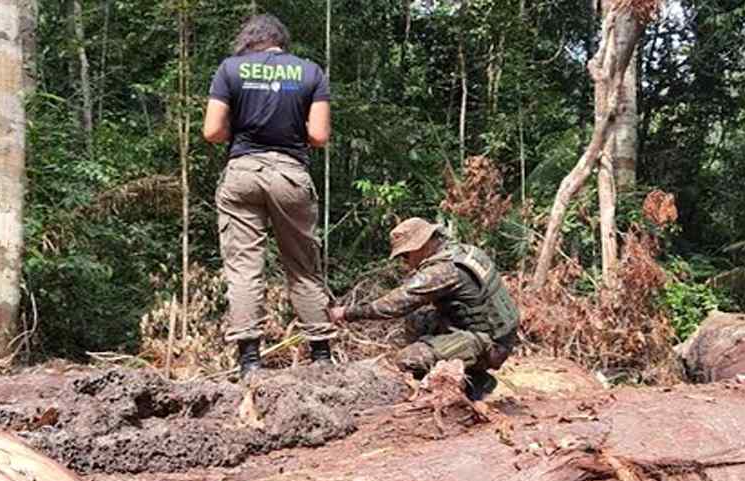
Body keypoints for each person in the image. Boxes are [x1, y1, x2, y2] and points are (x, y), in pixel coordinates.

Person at [203, 14, 335, 378]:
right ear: (281, 41)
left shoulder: (230, 69)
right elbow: (320, 136)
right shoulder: (310, 72)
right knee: (303, 267)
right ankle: (321, 355)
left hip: (242, 172)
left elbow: (212, 130)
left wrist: (242, 128)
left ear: (250, 40)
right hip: (291, 175)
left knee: (244, 268)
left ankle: (250, 362)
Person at [329, 218, 520, 400]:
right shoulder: (464, 252)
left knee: (407, 360)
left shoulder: (443, 270)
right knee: (417, 319)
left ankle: (475, 380)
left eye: (406, 254)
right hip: (495, 332)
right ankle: (460, 368)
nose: (404, 261)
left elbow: (395, 304)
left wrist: (346, 313)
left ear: (422, 245)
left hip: (490, 343)